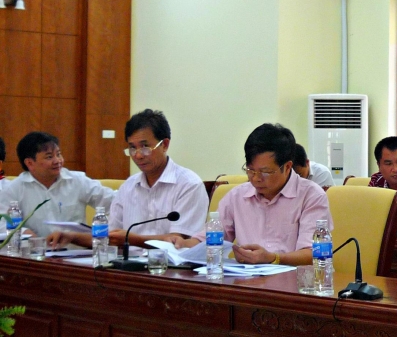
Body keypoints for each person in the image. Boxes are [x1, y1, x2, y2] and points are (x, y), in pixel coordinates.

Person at [48, 110, 208, 249]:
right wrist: (72, 237)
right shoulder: (129, 186)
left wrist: (132, 239)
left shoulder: (189, 184)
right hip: (127, 266)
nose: (137, 155)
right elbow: (110, 237)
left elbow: (178, 241)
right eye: (132, 148)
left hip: (170, 268)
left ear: (164, 144)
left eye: (145, 147)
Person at [178, 124, 332, 265]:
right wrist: (181, 244)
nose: (256, 178)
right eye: (250, 170)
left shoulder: (311, 196)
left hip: (294, 281)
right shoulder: (236, 196)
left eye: (265, 172)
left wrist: (273, 258)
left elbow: (314, 254)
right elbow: (210, 240)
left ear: (287, 167)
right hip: (247, 280)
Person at [0, 132, 114, 237]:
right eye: (49, 157)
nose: (57, 161)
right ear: (30, 163)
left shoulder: (78, 181)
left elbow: (114, 203)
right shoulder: (14, 188)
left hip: (76, 250)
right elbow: (2, 223)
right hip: (34, 250)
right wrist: (25, 233)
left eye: (58, 154)